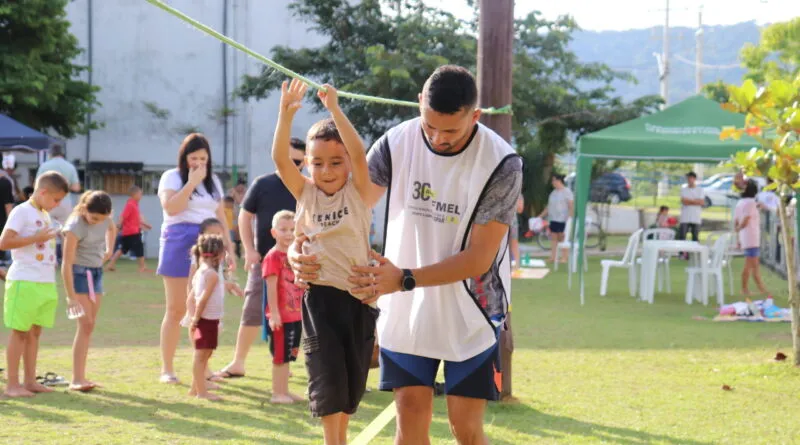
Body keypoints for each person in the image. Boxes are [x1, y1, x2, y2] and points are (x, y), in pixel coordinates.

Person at [290, 65, 522, 445]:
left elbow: (480, 258)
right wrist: (298, 250)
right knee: (410, 419)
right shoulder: (395, 143)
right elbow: (342, 209)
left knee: (465, 428)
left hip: (472, 309)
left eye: (451, 130)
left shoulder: (501, 163)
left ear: (475, 116)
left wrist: (403, 278)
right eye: (429, 126)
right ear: (418, 104)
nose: (437, 138)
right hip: (406, 308)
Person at [274, 79, 377, 445]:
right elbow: (280, 160)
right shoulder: (305, 193)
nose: (327, 170)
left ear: (348, 162)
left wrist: (334, 108)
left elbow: (361, 154)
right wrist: (285, 114)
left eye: (336, 162)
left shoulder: (359, 191)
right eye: (317, 163)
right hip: (319, 301)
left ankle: (340, 439)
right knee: (327, 380)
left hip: (359, 302)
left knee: (349, 391)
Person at [216, 137, 306, 379]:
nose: (293, 166)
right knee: (252, 309)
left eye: (298, 161)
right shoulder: (262, 184)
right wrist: (250, 249)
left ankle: (300, 367)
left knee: (306, 314)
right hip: (266, 260)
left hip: (299, 263)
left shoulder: (307, 186)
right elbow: (245, 216)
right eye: (288, 160)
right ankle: (238, 362)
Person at [157, 133, 235, 384]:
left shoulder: (214, 181)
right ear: (184, 158)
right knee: (177, 308)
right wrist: (191, 183)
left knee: (207, 309)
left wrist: (229, 247)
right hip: (179, 240)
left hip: (210, 243)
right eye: (194, 158)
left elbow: (221, 215)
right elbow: (171, 208)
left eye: (203, 158)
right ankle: (167, 368)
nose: (199, 163)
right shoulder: (171, 177)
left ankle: (203, 368)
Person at [0, 172, 69, 398]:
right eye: (56, 200)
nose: (57, 205)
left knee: (35, 333)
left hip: (44, 282)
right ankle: (12, 385)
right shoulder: (21, 211)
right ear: (43, 192)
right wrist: (35, 238)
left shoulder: (45, 214)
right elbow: (4, 242)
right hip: (24, 280)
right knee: (19, 332)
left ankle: (30, 381)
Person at [61, 191, 116, 392]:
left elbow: (111, 228)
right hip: (79, 274)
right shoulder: (75, 226)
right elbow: (66, 264)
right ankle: (77, 378)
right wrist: (71, 297)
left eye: (101, 219)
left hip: (97, 273)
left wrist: (109, 250)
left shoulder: (105, 219)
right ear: (84, 208)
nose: (96, 222)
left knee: (90, 326)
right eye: (94, 218)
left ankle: (81, 376)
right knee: (85, 324)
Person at [262, 210, 304, 404]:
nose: (288, 234)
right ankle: (277, 393)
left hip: (296, 316)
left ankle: (285, 390)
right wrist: (274, 314)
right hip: (281, 318)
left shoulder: (295, 255)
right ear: (274, 232)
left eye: (292, 230)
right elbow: (270, 287)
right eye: (283, 229)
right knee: (280, 356)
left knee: (289, 356)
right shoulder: (272, 257)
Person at [187, 233, 227, 401]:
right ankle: (201, 392)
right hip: (204, 321)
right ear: (219, 254)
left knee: (206, 353)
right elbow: (201, 299)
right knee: (201, 355)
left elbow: (190, 297)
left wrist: (191, 316)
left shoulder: (201, 271)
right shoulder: (210, 274)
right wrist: (195, 319)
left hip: (208, 320)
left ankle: (195, 387)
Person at [734, 180, 770, 298]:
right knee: (750, 264)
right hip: (751, 237)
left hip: (746, 237)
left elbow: (737, 220)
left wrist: (738, 234)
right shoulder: (750, 203)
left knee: (754, 265)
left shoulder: (740, 202)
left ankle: (762, 289)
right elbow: (746, 219)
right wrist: (739, 229)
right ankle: (746, 289)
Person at [106, 186, 152, 272]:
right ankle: (142, 267)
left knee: (123, 249)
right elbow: (122, 216)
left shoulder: (134, 204)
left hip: (131, 231)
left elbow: (136, 219)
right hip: (131, 231)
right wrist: (118, 227)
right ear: (135, 194)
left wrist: (146, 225)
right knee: (139, 247)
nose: (141, 195)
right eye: (140, 194)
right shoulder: (130, 204)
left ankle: (110, 265)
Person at [36, 144, 81, 224]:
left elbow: (36, 186)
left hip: (47, 201)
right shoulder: (70, 167)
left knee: (47, 229)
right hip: (65, 202)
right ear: (63, 153)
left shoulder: (44, 166)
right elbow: (76, 187)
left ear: (50, 153)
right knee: (65, 230)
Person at [537, 174, 574, 264]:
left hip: (563, 220)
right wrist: (539, 217)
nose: (552, 182)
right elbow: (548, 207)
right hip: (553, 219)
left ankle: (564, 257)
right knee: (553, 239)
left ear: (559, 181)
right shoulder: (553, 193)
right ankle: (553, 257)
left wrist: (569, 219)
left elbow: (571, 206)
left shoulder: (567, 191)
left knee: (562, 238)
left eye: (554, 180)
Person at [678, 171, 704, 250]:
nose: (689, 180)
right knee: (682, 236)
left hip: (695, 217)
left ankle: (694, 252)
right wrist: (695, 201)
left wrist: (690, 201)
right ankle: (682, 253)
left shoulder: (700, 190)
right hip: (685, 217)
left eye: (691, 178)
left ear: (694, 179)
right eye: (688, 178)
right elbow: (684, 201)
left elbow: (701, 202)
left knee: (695, 237)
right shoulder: (684, 189)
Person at [509, 195, 523, 268]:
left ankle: (516, 265)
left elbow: (520, 209)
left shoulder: (518, 193)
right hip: (507, 222)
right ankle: (515, 265)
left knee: (514, 243)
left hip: (511, 222)